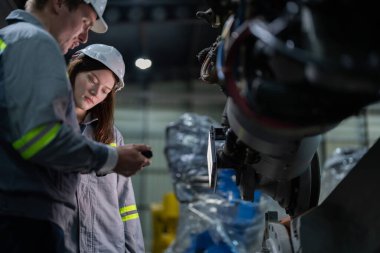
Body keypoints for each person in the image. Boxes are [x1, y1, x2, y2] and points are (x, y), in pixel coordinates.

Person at [0, 0, 151, 252]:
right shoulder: (35, 42)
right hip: (25, 218)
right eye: (84, 22)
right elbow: (39, 138)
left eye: (105, 90)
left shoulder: (9, 40)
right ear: (58, 3)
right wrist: (112, 158)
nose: (83, 37)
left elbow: (125, 206)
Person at [67, 44, 145, 252]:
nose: (96, 92)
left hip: (107, 246)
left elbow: (125, 202)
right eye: (92, 79)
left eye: (105, 90)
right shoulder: (47, 124)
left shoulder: (110, 135)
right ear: (75, 70)